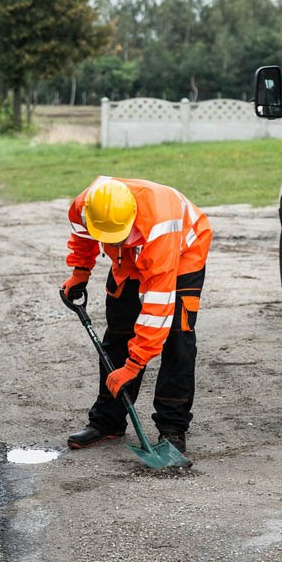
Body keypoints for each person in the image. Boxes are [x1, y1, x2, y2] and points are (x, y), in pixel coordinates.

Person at [61, 176, 212, 453]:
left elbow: (157, 309)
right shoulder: (87, 206)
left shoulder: (161, 225)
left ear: (131, 218)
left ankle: (172, 428)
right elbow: (82, 235)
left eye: (115, 235)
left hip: (181, 253)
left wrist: (133, 366)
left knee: (177, 337)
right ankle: (108, 421)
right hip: (129, 254)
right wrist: (80, 272)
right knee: (119, 331)